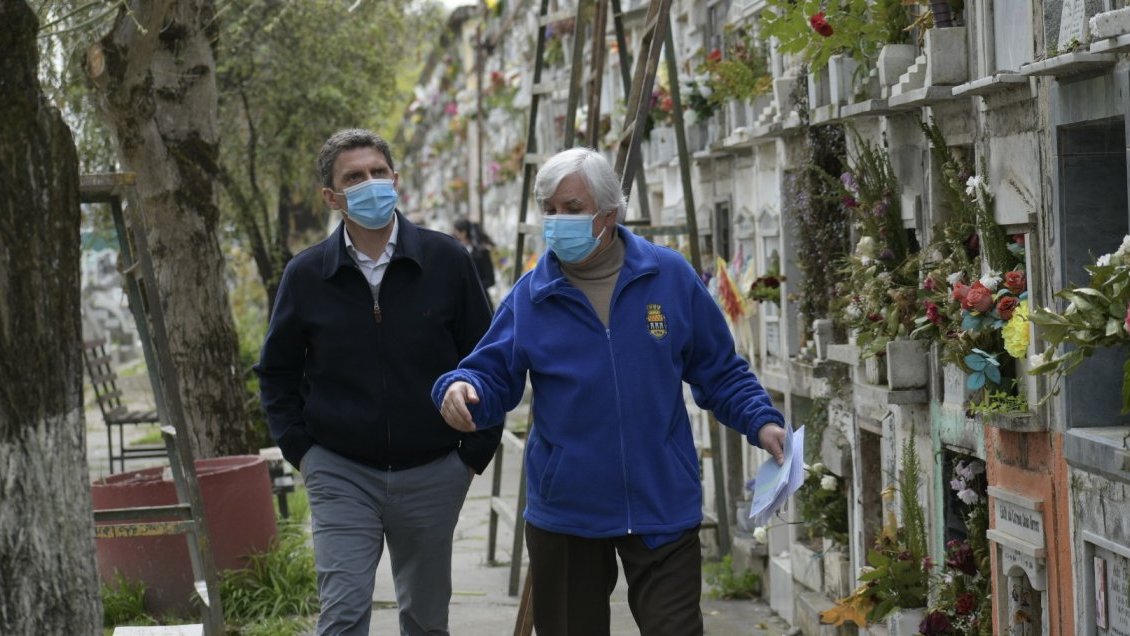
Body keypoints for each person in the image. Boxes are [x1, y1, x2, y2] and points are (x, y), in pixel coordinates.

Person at [431, 147, 788, 636]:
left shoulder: (669, 276)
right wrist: (460, 389)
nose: (558, 222)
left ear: (610, 213)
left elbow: (719, 369)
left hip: (663, 502)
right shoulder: (531, 296)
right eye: (549, 210)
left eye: (572, 209)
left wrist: (762, 420)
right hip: (568, 514)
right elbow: (489, 373)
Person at [255, 128, 500, 636]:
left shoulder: (446, 261)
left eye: (377, 172)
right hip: (341, 470)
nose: (370, 184)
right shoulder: (306, 276)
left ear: (395, 179)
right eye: (354, 177)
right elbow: (277, 372)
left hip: (435, 469)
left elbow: (489, 358)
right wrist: (305, 452)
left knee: (425, 620)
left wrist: (472, 453)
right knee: (342, 615)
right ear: (332, 197)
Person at [452, 216, 496, 302]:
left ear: (463, 232)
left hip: (479, 300)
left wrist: (471, 288)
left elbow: (490, 280)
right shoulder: (455, 251)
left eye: (456, 231)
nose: (454, 234)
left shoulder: (481, 253)